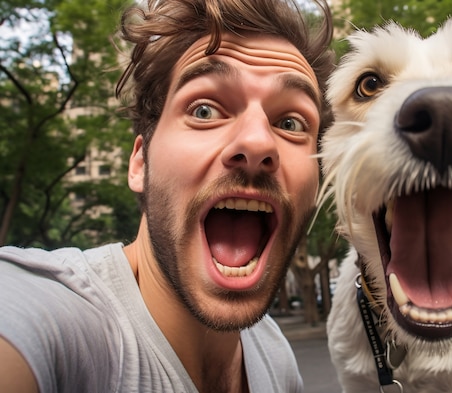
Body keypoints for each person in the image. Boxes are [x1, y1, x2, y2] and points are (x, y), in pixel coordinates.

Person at [0, 0, 334, 391]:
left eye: (291, 122)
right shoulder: (48, 316)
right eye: (205, 110)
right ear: (140, 162)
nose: (258, 142)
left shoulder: (274, 355)